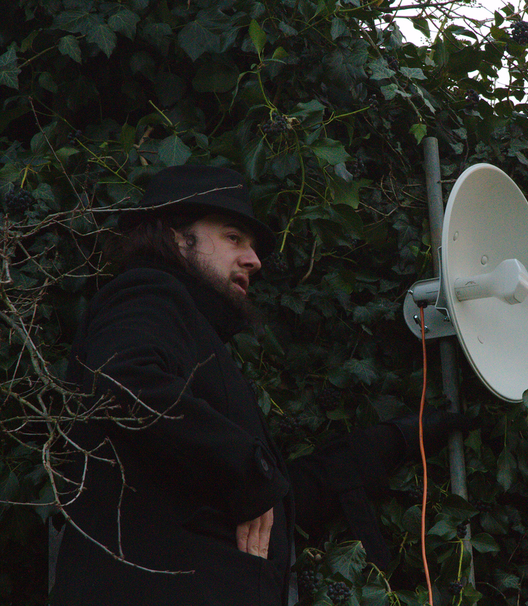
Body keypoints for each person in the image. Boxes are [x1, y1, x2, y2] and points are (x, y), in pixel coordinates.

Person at [50, 165, 471, 606]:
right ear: (177, 236)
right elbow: (124, 383)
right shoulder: (149, 291)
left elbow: (272, 500)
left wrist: (398, 439)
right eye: (234, 237)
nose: (254, 260)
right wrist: (251, 471)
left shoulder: (199, 343)